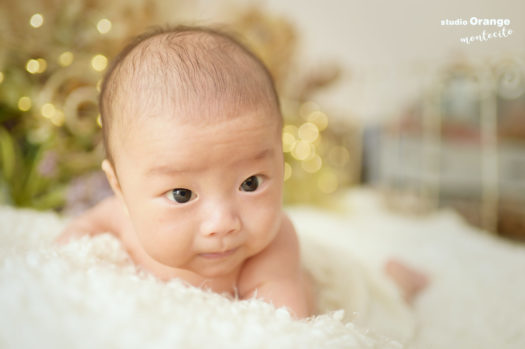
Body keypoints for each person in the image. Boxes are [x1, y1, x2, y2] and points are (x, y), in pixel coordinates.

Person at [56, 25, 426, 319]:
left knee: (383, 298)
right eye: (182, 194)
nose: (222, 223)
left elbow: (283, 327)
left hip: (334, 283)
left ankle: (399, 279)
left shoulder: (271, 248)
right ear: (119, 187)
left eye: (250, 183)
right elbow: (75, 239)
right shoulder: (121, 218)